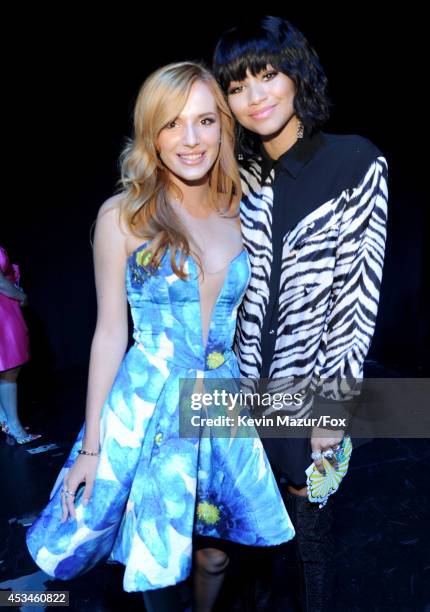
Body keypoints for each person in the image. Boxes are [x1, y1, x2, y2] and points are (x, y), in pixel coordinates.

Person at [25, 61, 295, 611]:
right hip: (147, 403)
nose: (190, 140)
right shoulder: (124, 217)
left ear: (223, 125)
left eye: (203, 121)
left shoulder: (246, 212)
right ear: (151, 132)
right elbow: (107, 335)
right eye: (172, 124)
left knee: (216, 555)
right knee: (158, 561)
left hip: (219, 399)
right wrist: (91, 446)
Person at [213, 15, 389, 610]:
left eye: (267, 75)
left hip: (306, 392)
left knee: (312, 547)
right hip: (235, 392)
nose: (255, 97)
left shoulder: (354, 161)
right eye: (237, 86)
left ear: (297, 75)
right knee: (248, 545)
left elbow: (356, 300)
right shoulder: (239, 176)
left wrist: (332, 412)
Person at [0, 245, 41, 444]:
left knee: (6, 367)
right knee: (10, 368)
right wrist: (21, 296)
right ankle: (14, 427)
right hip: (2, 310)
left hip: (5, 307)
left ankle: (6, 420)